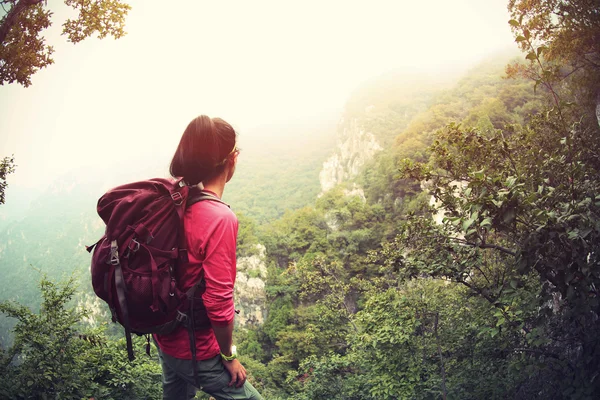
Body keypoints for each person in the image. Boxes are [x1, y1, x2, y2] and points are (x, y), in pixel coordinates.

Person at [154, 115, 263, 400]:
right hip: (196, 350)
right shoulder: (219, 218)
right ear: (232, 159)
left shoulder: (172, 200)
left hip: (165, 337)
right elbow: (218, 302)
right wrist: (228, 355)